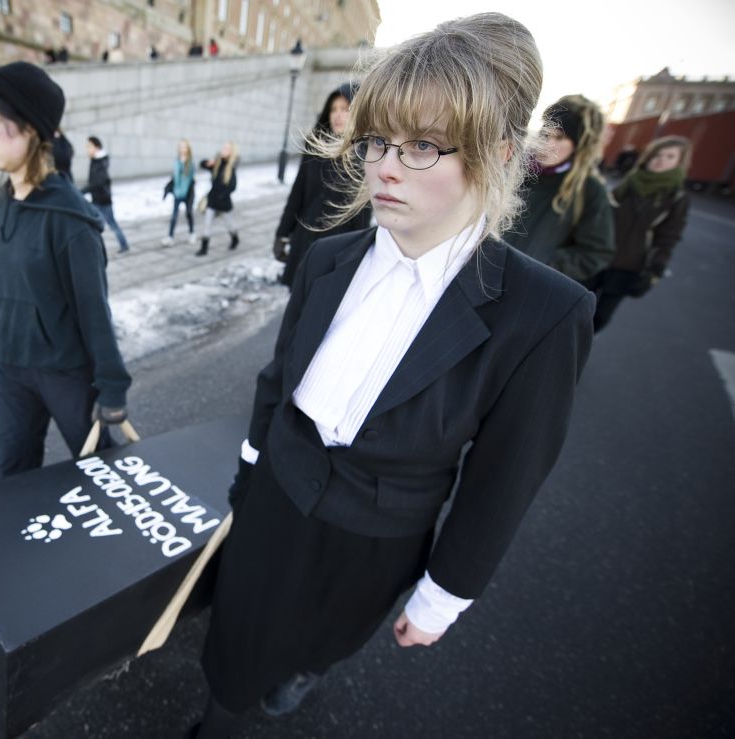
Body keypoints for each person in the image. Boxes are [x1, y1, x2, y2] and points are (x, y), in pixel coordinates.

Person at [192, 13, 595, 738]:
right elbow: (277, 381)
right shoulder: (327, 258)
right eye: (377, 140)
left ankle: (304, 666)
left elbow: (505, 477)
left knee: (321, 640)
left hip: (376, 536)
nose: (382, 165)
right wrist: (249, 475)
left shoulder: (545, 314)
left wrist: (443, 595)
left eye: (421, 146)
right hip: (278, 491)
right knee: (233, 644)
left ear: (499, 155)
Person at [0, 62, 131, 478]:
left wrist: (112, 385)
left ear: (30, 127)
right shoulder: (3, 199)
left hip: (64, 371)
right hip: (10, 365)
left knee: (102, 474)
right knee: (13, 475)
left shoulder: (70, 218)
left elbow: (94, 310)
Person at [503, 94, 614, 287]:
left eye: (560, 137)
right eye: (546, 134)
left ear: (578, 146)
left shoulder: (588, 190)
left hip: (524, 286)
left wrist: (543, 262)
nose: (548, 144)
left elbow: (596, 253)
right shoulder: (511, 167)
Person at [274, 83, 371, 288]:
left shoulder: (367, 154)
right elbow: (298, 193)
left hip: (339, 247)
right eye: (333, 109)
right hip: (305, 238)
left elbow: (363, 214)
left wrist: (357, 256)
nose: (337, 115)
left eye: (345, 109)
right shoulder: (315, 146)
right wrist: (282, 233)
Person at [591, 135, 692, 332]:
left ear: (680, 163)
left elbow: (668, 237)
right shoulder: (631, 182)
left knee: (601, 317)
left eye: (670, 157)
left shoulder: (677, 197)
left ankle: (578, 350)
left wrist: (655, 270)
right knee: (577, 305)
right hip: (598, 255)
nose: (660, 160)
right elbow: (603, 215)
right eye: (657, 155)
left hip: (629, 265)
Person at [82, 136, 131, 254]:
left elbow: (98, 183)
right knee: (95, 225)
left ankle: (124, 245)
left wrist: (81, 191)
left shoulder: (100, 162)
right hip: (96, 199)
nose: (87, 149)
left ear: (97, 147)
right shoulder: (95, 160)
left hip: (103, 200)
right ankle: (94, 248)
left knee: (111, 224)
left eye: (89, 146)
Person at [195, 142, 240, 256]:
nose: (223, 150)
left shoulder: (231, 168)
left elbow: (233, 187)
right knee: (207, 224)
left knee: (230, 225)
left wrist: (222, 196)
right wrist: (207, 162)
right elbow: (202, 164)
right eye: (223, 148)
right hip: (212, 201)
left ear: (231, 152)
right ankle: (204, 248)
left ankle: (235, 238)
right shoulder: (217, 164)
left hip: (224, 204)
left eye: (226, 149)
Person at [161, 139, 197, 246]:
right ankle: (170, 236)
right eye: (181, 147)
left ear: (188, 149)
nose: (183, 149)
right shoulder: (176, 161)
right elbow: (175, 177)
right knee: (174, 216)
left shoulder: (190, 162)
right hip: (178, 193)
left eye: (185, 147)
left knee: (189, 213)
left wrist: (188, 191)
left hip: (188, 193)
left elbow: (190, 179)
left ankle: (192, 233)